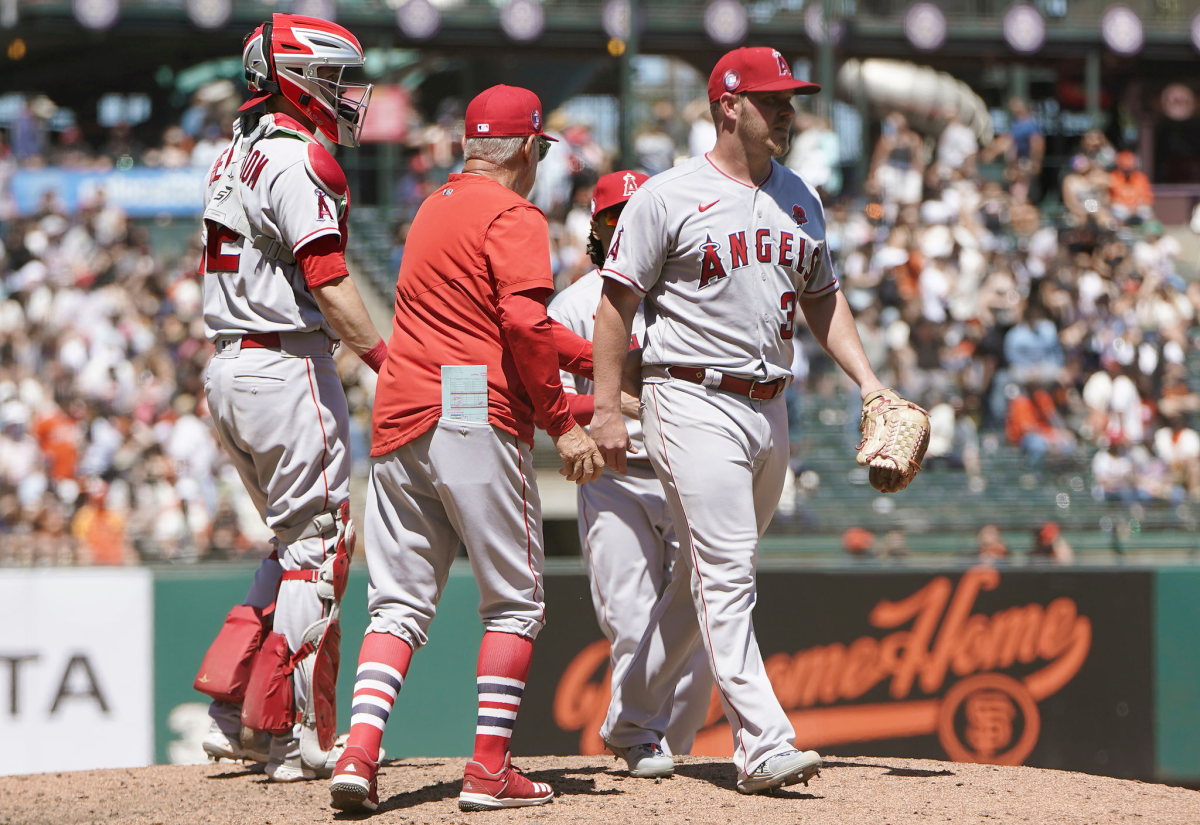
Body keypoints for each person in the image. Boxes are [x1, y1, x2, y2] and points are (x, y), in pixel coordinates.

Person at [589, 47, 906, 795]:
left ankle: (631, 716)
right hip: (688, 395)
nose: (789, 111)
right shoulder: (667, 196)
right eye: (774, 100)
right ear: (728, 105)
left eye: (792, 99)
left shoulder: (801, 195)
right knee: (728, 574)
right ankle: (762, 742)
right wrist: (607, 408)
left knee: (698, 582)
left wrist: (869, 383)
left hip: (770, 407)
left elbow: (821, 297)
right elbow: (614, 306)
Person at [329, 85, 605, 813]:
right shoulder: (513, 213)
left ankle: (358, 752)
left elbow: (512, 326)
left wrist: (601, 366)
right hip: (472, 413)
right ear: (524, 149)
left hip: (400, 414)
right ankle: (487, 770)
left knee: (395, 605)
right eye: (540, 149)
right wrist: (564, 419)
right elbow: (522, 323)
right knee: (515, 603)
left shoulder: (432, 207)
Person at [193, 14, 386, 783]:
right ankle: (294, 734)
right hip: (284, 362)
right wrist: (383, 357)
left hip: (229, 365)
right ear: (299, 78)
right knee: (322, 547)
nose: (345, 94)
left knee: (291, 546)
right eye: (335, 78)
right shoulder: (296, 157)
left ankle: (232, 712)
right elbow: (330, 278)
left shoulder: (231, 153)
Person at [547, 170, 715, 770]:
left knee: (698, 624)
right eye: (612, 218)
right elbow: (555, 400)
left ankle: (674, 745)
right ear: (595, 228)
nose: (624, 227)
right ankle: (641, 740)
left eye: (634, 215)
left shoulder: (691, 293)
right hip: (615, 478)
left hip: (685, 469)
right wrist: (601, 413)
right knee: (629, 617)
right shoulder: (572, 304)